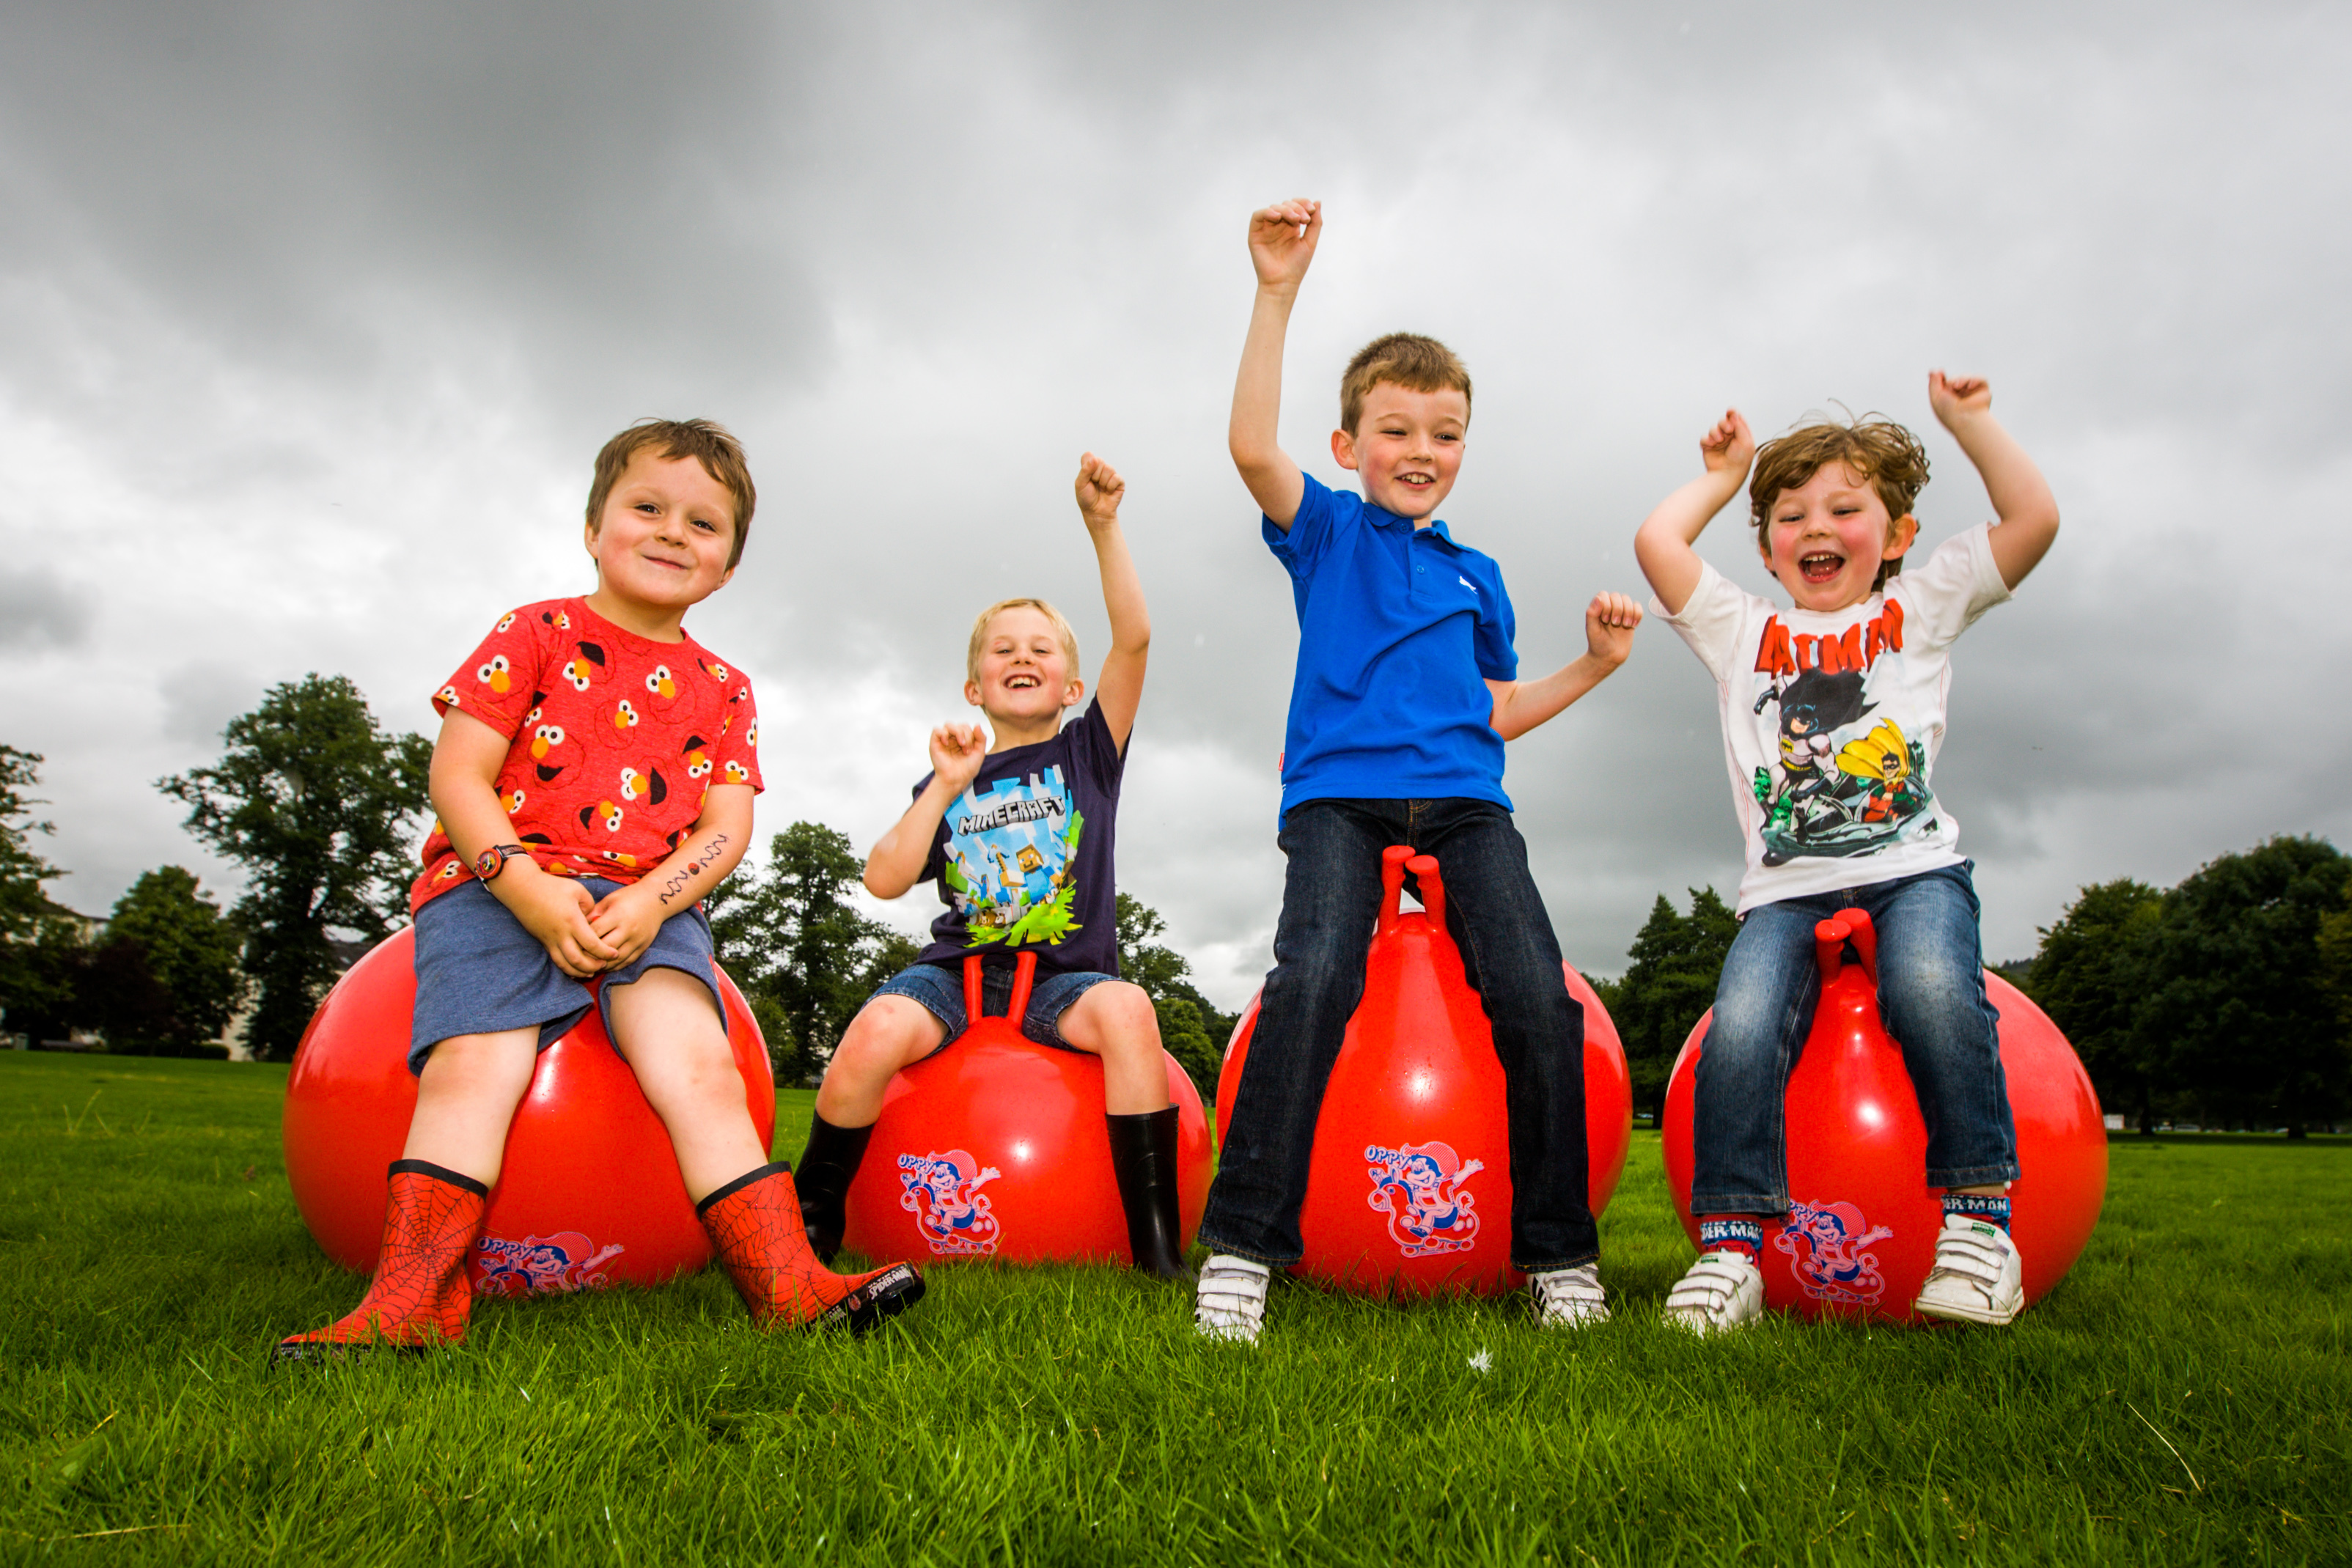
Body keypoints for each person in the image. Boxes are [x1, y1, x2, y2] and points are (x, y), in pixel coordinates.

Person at [275, 419, 925, 1362]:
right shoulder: (531, 631)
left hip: (648, 906)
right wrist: (529, 890)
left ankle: (789, 1287)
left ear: (728, 569)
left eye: (703, 524)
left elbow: (726, 828)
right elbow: (457, 777)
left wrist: (655, 903)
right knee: (473, 1068)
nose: (672, 532)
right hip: (496, 890)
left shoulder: (726, 689)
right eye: (647, 507)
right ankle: (412, 1301)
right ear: (594, 527)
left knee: (700, 1068)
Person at [1194, 199, 1643, 1343]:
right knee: (1314, 979)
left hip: (1467, 807)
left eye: (1444, 434)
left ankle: (1558, 1254)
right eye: (1395, 431)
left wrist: (1591, 665)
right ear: (1350, 447)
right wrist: (1276, 291)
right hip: (1338, 804)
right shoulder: (1330, 532)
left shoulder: (1477, 573)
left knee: (1538, 998)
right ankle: (1245, 1248)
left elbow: (1492, 708)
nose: (1421, 453)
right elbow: (1252, 447)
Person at [1632, 375, 2061, 1331]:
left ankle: (1981, 1229)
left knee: (1933, 990)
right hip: (1783, 892)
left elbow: (2033, 517)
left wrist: (1972, 424)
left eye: (1843, 507)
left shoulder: (1922, 603)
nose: (1815, 526)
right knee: (1737, 1032)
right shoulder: (1744, 630)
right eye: (1790, 514)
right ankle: (1731, 1251)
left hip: (1916, 871)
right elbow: (1657, 545)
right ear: (1767, 544)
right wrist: (1721, 474)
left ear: (1898, 532)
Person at [790, 454, 1188, 1280]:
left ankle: (1156, 1254)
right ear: (973, 686)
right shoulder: (953, 776)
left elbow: (1137, 638)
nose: (1022, 655)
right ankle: (806, 1237)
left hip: (1062, 983)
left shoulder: (1088, 752)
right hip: (957, 979)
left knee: (1130, 1011)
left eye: (1041, 648)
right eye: (1002, 649)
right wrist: (942, 786)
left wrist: (1103, 526)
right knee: (873, 1030)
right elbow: (884, 879)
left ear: (1071, 683)